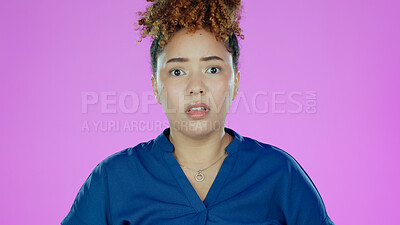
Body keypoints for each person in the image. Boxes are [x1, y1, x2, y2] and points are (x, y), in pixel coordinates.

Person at [61, 0, 335, 224]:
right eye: (177, 71)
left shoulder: (280, 174)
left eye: (212, 69)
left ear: (235, 82)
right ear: (156, 86)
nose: (196, 87)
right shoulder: (112, 179)